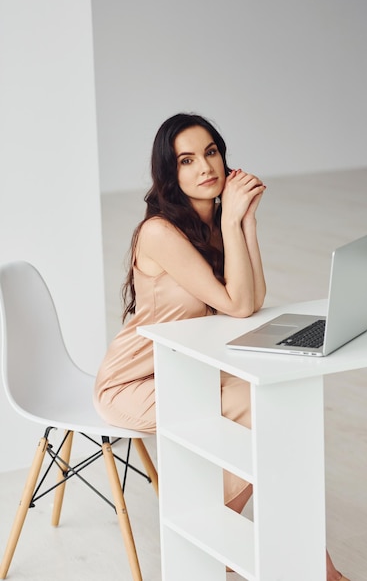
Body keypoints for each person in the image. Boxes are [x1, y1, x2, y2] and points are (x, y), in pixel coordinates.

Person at [93, 112, 349, 581]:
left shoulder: (212, 222)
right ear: (170, 175)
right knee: (261, 407)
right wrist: (233, 219)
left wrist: (245, 221)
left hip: (188, 371)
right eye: (186, 160)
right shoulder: (159, 232)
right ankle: (222, 536)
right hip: (133, 383)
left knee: (275, 408)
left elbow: (252, 301)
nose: (204, 167)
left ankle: (294, 559)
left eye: (210, 152)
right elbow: (236, 303)